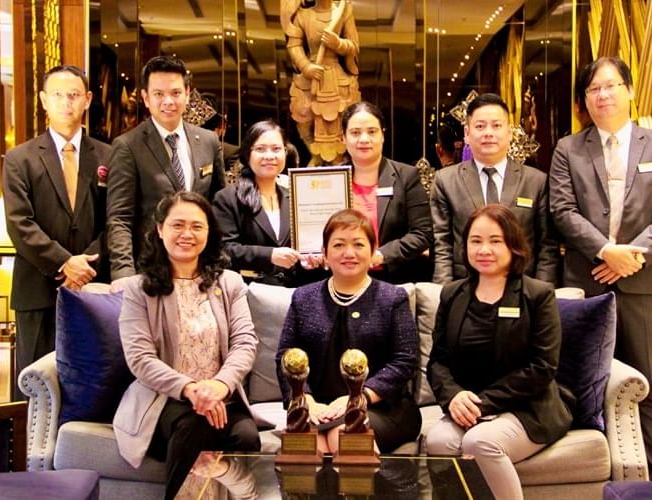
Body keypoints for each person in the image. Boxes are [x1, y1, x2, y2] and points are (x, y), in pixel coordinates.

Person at [112, 192, 261, 500]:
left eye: (197, 226)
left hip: (222, 398)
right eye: (177, 225)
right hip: (164, 401)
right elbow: (139, 358)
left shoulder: (229, 283)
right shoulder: (139, 290)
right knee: (194, 425)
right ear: (159, 229)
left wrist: (219, 386)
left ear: (209, 232)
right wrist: (192, 390)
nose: (187, 234)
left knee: (247, 436)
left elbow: (245, 342)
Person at [426, 204, 573, 500]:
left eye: (495, 240)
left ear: (513, 245)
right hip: (467, 406)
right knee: (438, 441)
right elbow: (437, 362)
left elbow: (543, 367)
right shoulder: (452, 294)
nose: (484, 249)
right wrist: (453, 396)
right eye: (475, 241)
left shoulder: (538, 295)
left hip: (526, 408)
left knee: (480, 442)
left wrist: (483, 403)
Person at [549, 56, 652, 466]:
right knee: (585, 384)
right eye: (593, 89)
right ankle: (598, 475)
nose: (603, 95)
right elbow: (561, 210)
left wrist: (633, 256)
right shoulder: (568, 149)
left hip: (644, 283)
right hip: (587, 282)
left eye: (611, 86)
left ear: (629, 89)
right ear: (584, 100)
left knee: (647, 382)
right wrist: (606, 251)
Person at [2, 64, 111, 399]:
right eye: (59, 95)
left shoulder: (109, 156)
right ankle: (28, 453)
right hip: (37, 288)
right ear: (43, 100)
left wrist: (87, 263)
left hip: (95, 287)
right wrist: (65, 263)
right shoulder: (19, 158)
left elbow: (117, 220)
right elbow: (20, 223)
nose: (67, 103)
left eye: (75, 95)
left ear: (88, 100)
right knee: (34, 389)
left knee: (90, 385)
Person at [276, 209, 421, 454]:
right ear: (324, 253)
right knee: (308, 447)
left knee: (343, 437)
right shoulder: (303, 298)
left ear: (374, 252)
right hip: (318, 407)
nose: (349, 253)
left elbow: (404, 362)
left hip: (382, 407)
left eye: (358, 244)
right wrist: (305, 400)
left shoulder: (392, 298)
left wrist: (358, 398)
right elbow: (285, 356)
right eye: (339, 245)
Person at [107, 55, 226, 284]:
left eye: (175, 93)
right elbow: (120, 218)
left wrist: (219, 260)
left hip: (202, 269)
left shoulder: (209, 141)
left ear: (188, 93)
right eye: (158, 94)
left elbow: (218, 207)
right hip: (152, 269)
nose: (168, 101)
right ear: (145, 97)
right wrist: (123, 275)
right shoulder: (128, 146)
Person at [431, 93, 560, 285]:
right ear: (467, 133)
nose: (488, 133)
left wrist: (542, 295)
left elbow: (547, 248)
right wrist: (445, 296)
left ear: (509, 132)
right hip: (465, 288)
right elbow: (442, 246)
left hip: (522, 288)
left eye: (497, 125)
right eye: (480, 126)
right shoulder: (446, 181)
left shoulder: (536, 182)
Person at [213, 120, 321, 286]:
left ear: (285, 152)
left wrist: (309, 258)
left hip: (293, 293)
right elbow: (222, 250)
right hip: (248, 292)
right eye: (260, 149)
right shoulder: (227, 199)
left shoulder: (294, 197)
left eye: (276, 149)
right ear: (248, 154)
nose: (269, 156)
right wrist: (270, 255)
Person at [341, 101, 432, 284]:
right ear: (343, 137)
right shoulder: (331, 180)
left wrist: (382, 255)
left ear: (383, 134)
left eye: (372, 131)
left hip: (393, 280)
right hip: (342, 279)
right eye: (355, 133)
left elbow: (423, 233)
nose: (364, 139)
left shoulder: (406, 177)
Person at [282, 0, 361, 165]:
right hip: (311, 75)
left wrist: (338, 43)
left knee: (342, 115)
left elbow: (354, 45)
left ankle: (339, 159)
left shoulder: (343, 12)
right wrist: (306, 66)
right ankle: (315, 154)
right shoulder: (303, 16)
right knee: (303, 113)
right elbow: (294, 45)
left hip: (336, 75)